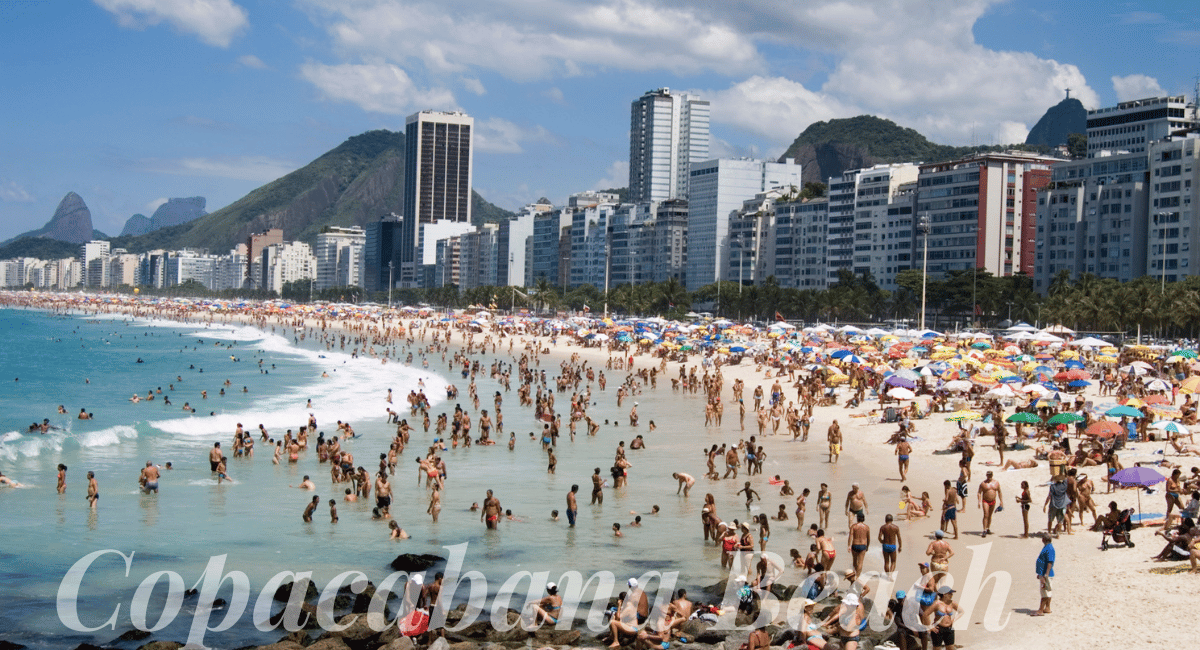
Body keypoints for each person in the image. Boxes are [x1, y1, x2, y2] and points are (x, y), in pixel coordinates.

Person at [927, 585, 959, 650]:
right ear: (944, 594)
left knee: (951, 648)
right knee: (937, 649)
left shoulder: (951, 603)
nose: (951, 595)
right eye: (950, 594)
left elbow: (961, 611)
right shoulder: (936, 604)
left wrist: (954, 620)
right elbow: (925, 614)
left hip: (949, 629)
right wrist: (930, 626)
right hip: (938, 629)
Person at [1031, 534, 1055, 616]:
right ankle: (1047, 608)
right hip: (1043, 573)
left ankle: (1040, 610)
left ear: (1044, 539)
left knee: (1044, 591)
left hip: (1046, 574)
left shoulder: (1049, 549)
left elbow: (1050, 562)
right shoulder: (1047, 547)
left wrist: (1045, 575)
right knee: (1047, 590)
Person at [977, 471, 1002, 537]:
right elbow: (979, 492)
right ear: (986, 475)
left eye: (990, 475)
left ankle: (988, 528)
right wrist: (979, 501)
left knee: (990, 515)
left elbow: (999, 492)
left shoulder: (996, 483)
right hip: (985, 501)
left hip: (993, 501)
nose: (989, 476)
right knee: (986, 515)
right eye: (988, 475)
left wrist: (1001, 501)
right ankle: (984, 530)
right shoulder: (983, 483)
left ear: (992, 475)